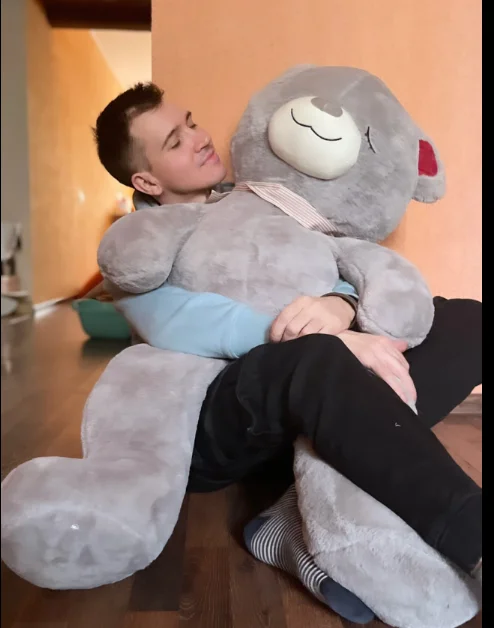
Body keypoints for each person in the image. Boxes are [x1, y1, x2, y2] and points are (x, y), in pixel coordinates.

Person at [93, 84, 483, 592]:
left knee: (465, 320)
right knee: (315, 360)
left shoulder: (258, 197)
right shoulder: (135, 250)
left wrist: (341, 305)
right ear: (146, 179)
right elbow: (183, 323)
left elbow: (330, 259)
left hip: (321, 391)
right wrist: (321, 341)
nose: (200, 137)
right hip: (218, 418)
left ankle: (290, 514)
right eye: (175, 140)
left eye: (190, 121)